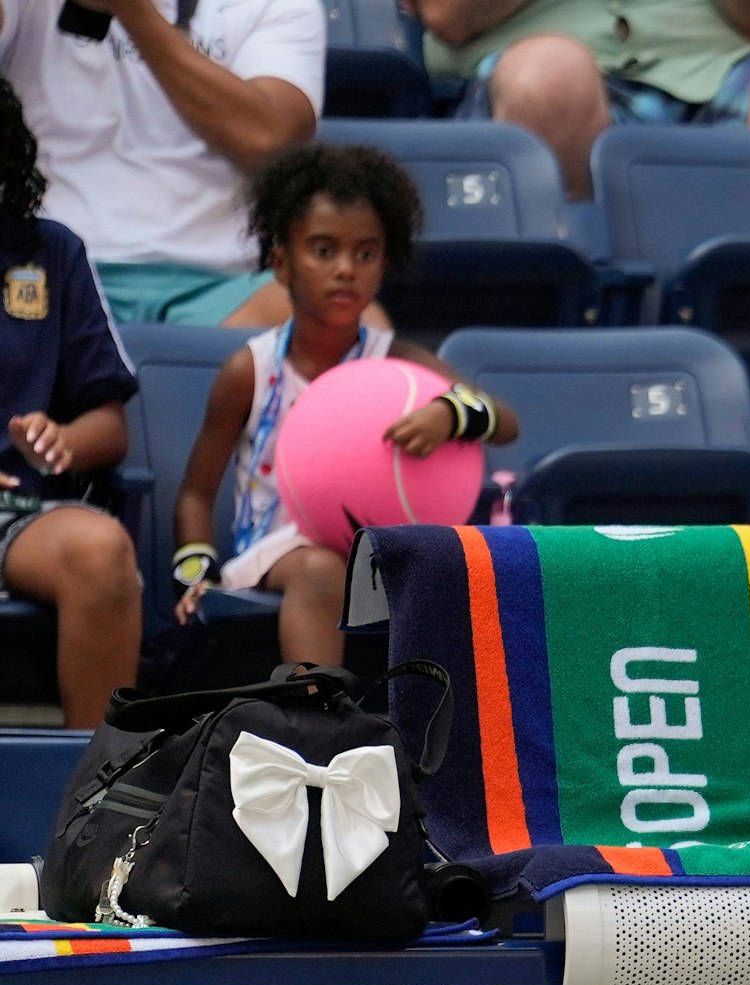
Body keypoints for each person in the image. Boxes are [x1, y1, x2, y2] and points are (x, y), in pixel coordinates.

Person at [174, 143, 520, 667]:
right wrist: (196, 569)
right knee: (322, 570)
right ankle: (319, 723)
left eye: (365, 253)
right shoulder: (251, 370)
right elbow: (196, 493)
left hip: (382, 554)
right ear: (282, 263)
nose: (345, 270)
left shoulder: (400, 364)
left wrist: (450, 413)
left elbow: (506, 423)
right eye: (323, 249)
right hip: (275, 553)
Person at [0, 0, 331, 328]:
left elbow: (273, 147)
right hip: (47, 264)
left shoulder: (277, 5)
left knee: (355, 333)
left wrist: (134, 11)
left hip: (220, 284)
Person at [0, 76, 142, 729]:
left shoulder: (50, 253)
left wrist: (61, 439)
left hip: (24, 511)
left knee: (101, 549)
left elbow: (108, 425)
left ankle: (96, 810)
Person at [421, 0, 750, 201]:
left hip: (714, 61)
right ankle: (575, 320)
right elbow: (449, 15)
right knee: (549, 77)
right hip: (538, 62)